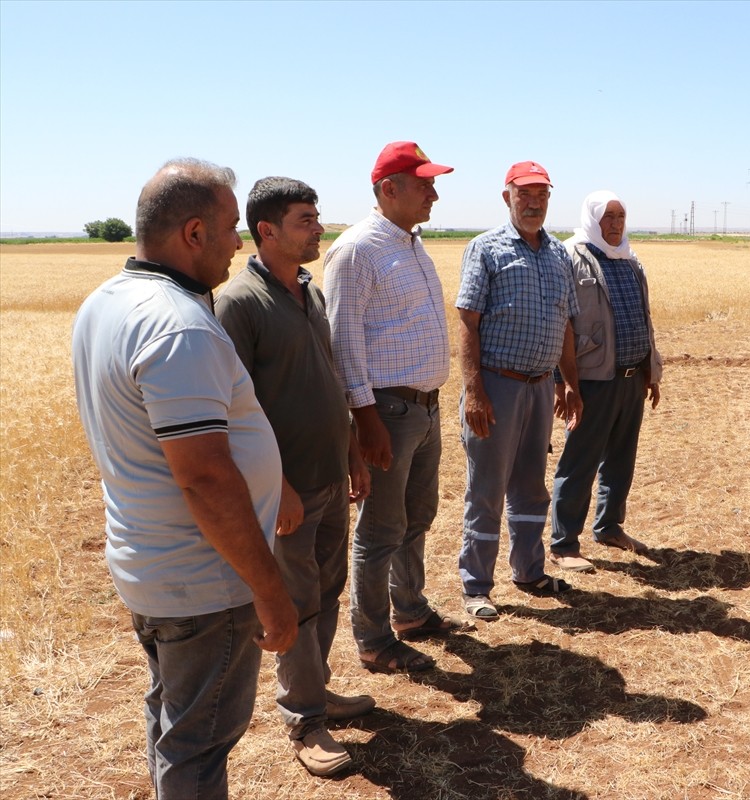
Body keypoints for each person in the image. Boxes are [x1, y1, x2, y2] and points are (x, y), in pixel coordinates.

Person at [72, 158, 298, 799]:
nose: (239, 242)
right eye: (230, 227)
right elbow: (204, 479)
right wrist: (270, 591)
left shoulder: (104, 304)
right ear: (194, 233)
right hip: (205, 582)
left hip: (153, 566)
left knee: (174, 724)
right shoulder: (176, 327)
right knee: (198, 746)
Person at [214, 177, 375, 778]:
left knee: (326, 593)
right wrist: (275, 485)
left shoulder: (310, 292)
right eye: (306, 220)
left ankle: (317, 691)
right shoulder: (239, 303)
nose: (318, 229)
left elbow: (329, 380)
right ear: (267, 231)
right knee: (296, 600)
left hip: (331, 474)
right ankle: (304, 719)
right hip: (288, 490)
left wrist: (353, 453)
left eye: (316, 217)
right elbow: (232, 407)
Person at [325, 142, 473, 676]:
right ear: (390, 189)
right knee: (380, 528)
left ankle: (409, 611)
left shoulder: (409, 243)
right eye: (424, 183)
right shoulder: (357, 250)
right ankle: (372, 637)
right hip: (386, 411)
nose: (434, 193)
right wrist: (366, 422)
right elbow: (343, 344)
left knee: (418, 516)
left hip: (423, 409)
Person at [455, 160, 583, 619]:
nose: (534, 202)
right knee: (486, 491)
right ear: (506, 196)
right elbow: (468, 321)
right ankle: (476, 587)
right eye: (524, 194)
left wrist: (569, 382)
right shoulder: (485, 249)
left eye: (542, 194)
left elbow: (566, 324)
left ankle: (529, 571)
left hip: (539, 388)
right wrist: (474, 391)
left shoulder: (558, 255)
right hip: (497, 386)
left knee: (531, 488)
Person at [548, 191, 663, 573]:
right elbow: (558, 323)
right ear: (591, 218)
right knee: (579, 461)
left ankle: (610, 526)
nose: (615, 224)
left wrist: (652, 371)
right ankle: (564, 544)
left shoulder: (630, 261)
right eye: (607, 216)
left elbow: (643, 320)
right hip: (591, 381)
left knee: (620, 459)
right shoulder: (569, 257)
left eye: (620, 216)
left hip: (631, 377)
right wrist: (561, 383)